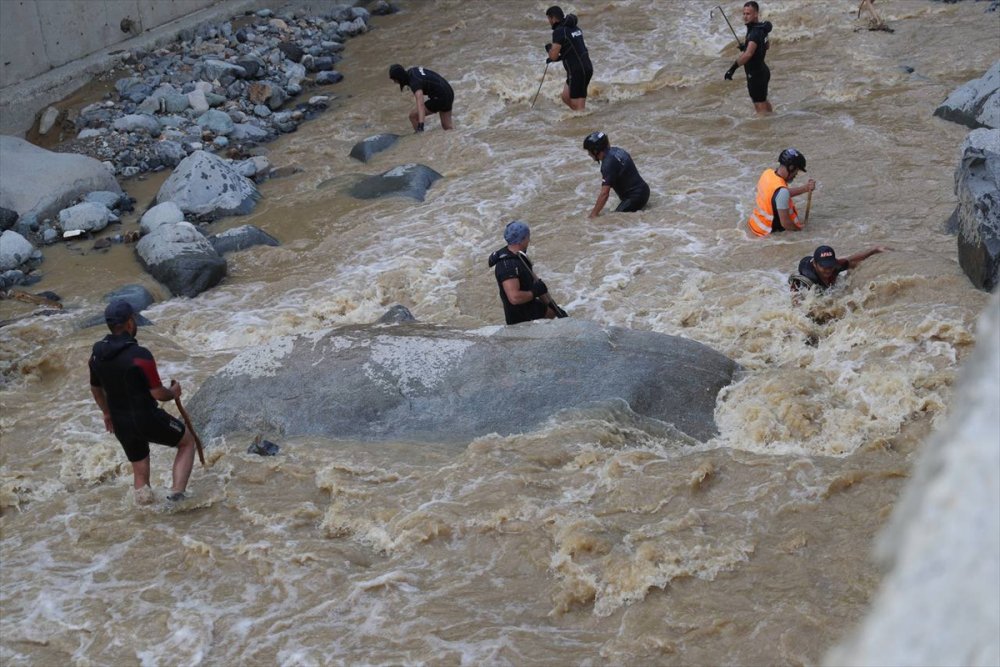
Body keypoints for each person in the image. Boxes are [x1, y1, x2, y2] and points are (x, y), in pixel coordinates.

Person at [88, 300, 197, 504]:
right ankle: (176, 498)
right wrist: (173, 392)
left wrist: (106, 413)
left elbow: (95, 388)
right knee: (187, 442)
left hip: (121, 424)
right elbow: (158, 393)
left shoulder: (97, 354)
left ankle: (145, 515)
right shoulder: (140, 356)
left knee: (140, 473)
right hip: (146, 418)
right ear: (130, 323)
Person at [488, 221, 562, 325]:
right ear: (521, 240)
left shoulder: (520, 256)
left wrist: (553, 306)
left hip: (529, 306)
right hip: (519, 317)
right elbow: (514, 298)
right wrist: (534, 292)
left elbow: (537, 284)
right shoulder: (508, 266)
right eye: (527, 237)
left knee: (552, 313)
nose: (529, 240)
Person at [747, 148, 815, 237]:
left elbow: (778, 196)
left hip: (755, 226)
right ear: (791, 167)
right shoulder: (782, 192)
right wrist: (801, 230)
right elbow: (786, 224)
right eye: (796, 171)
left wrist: (805, 188)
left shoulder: (768, 173)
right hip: (766, 235)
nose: (796, 175)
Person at [583, 131, 650, 218]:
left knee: (615, 219)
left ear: (595, 150)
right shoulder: (617, 151)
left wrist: (593, 214)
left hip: (635, 198)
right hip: (644, 191)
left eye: (589, 151)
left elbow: (604, 194)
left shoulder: (608, 164)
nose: (588, 154)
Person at [724, 1, 773, 114]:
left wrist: (732, 69)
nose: (745, 17)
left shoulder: (754, 33)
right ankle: (772, 119)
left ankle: (763, 129)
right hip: (763, 71)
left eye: (748, 14)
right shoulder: (761, 28)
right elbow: (767, 46)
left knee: (759, 105)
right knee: (763, 100)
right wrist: (747, 46)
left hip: (756, 76)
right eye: (744, 14)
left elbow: (748, 55)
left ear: (756, 14)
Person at [789, 245, 891, 296]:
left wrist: (874, 250)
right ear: (815, 264)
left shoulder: (836, 265)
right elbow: (794, 294)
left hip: (827, 285)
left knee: (853, 264)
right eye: (824, 267)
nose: (828, 270)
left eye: (830, 266)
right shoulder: (807, 276)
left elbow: (852, 259)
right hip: (811, 284)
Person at [545, 6, 593, 111]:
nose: (549, 22)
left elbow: (553, 56)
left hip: (577, 70)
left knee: (578, 105)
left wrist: (549, 48)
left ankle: (583, 124)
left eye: (549, 19)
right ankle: (580, 119)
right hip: (585, 67)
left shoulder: (559, 31)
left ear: (553, 18)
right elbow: (571, 50)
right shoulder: (574, 28)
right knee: (565, 97)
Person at [388, 64, 454, 132]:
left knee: (413, 116)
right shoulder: (413, 71)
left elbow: (420, 104)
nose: (395, 82)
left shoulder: (414, 83)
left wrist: (420, 125)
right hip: (448, 91)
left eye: (395, 80)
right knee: (447, 127)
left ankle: (420, 136)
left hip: (441, 97)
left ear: (399, 78)